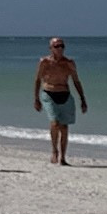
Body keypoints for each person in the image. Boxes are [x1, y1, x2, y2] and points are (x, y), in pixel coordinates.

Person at [33, 37, 87, 165]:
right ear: (51, 48)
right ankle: (54, 151)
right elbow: (37, 80)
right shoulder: (44, 62)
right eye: (57, 46)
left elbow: (76, 81)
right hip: (48, 94)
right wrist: (36, 99)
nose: (60, 48)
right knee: (55, 123)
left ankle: (63, 157)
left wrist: (82, 100)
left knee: (64, 127)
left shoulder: (69, 63)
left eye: (62, 46)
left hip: (65, 94)